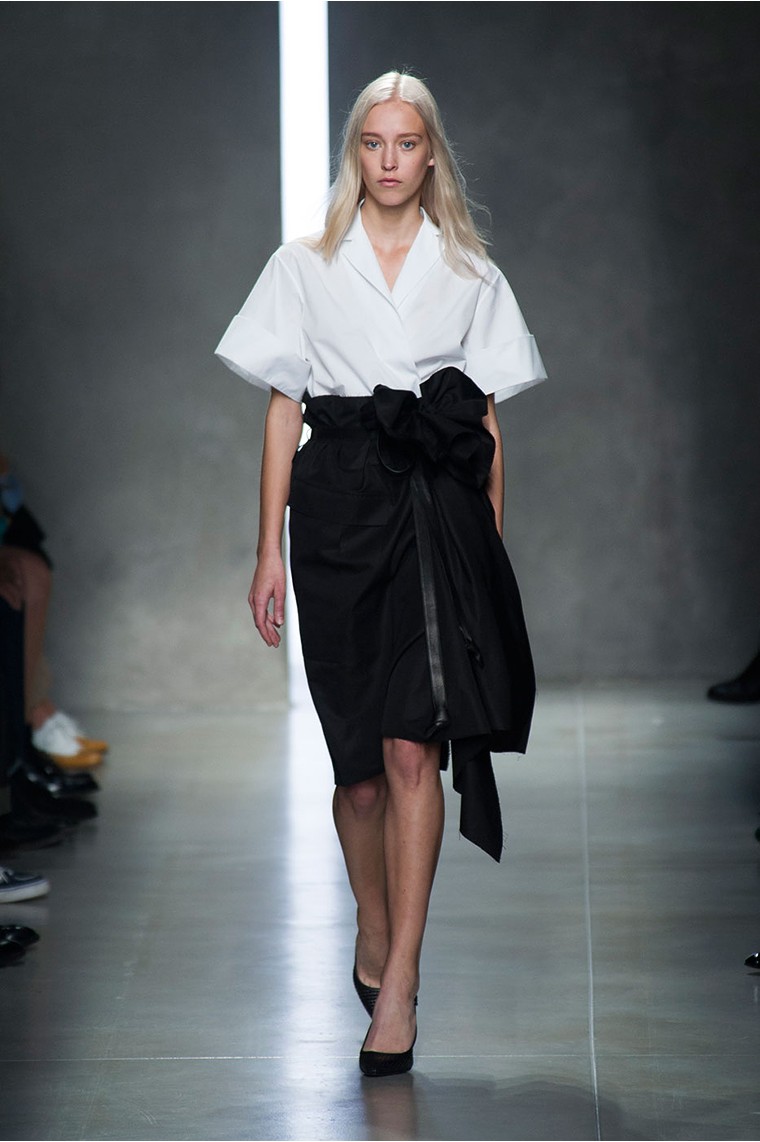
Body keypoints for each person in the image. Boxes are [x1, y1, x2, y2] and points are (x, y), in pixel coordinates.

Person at [216, 71, 546, 1077]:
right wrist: (266, 550)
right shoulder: (304, 265)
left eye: (407, 142)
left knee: (413, 752)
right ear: (354, 153)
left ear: (430, 152)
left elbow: (485, 421)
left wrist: (488, 553)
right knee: (357, 772)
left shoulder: (470, 269)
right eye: (373, 142)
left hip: (435, 514)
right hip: (336, 514)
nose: (390, 159)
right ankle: (372, 917)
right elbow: (283, 409)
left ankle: (400, 978)